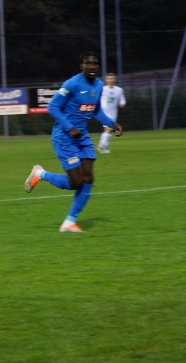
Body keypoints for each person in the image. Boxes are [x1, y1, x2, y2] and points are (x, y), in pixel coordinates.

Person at [23, 52, 122, 233]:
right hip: (64, 136)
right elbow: (53, 106)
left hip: (82, 136)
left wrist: (112, 124)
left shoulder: (99, 85)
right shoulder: (72, 84)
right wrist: (69, 127)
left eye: (95, 63)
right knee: (75, 182)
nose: (92, 66)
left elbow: (96, 110)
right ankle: (40, 173)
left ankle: (69, 222)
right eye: (88, 63)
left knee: (88, 177)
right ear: (81, 66)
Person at [97, 72, 126, 154]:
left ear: (115, 79)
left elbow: (122, 99)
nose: (111, 80)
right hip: (104, 112)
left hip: (113, 112)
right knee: (109, 128)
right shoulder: (102, 89)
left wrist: (122, 103)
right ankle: (101, 145)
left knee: (108, 130)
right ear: (106, 80)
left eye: (113, 78)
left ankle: (104, 146)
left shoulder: (119, 90)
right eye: (109, 78)